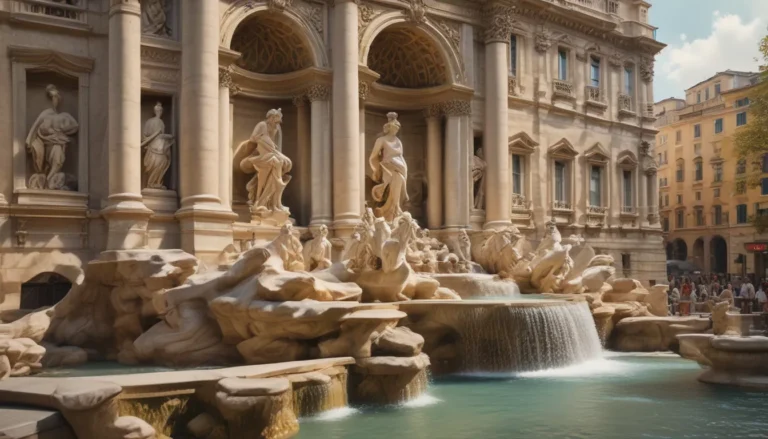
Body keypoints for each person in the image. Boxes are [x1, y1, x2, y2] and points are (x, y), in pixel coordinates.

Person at [369, 112, 408, 222]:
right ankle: (391, 210)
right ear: (389, 127)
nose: (396, 129)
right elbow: (374, 156)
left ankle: (394, 209)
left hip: (400, 166)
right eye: (395, 127)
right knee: (394, 183)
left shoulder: (398, 141)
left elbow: (401, 156)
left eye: (398, 128)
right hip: (388, 167)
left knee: (400, 182)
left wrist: (405, 170)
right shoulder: (381, 140)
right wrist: (377, 170)